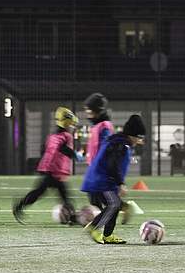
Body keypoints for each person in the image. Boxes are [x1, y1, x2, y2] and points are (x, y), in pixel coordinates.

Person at [81, 114, 145, 244]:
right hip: (102, 180)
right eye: (139, 137)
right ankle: (94, 227)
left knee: (115, 205)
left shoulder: (118, 141)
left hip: (100, 179)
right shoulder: (120, 144)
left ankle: (108, 235)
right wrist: (120, 183)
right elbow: (113, 164)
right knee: (114, 203)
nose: (139, 141)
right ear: (132, 134)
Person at [12, 106, 80, 224]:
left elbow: (45, 150)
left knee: (59, 195)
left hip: (50, 171)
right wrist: (73, 154)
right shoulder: (65, 136)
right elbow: (62, 148)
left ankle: (72, 217)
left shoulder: (52, 136)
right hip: (53, 172)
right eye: (71, 124)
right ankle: (19, 206)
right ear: (67, 123)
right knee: (48, 194)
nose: (72, 127)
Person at [83, 93, 113, 165]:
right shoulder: (96, 126)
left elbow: (105, 148)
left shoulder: (104, 126)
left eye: (89, 109)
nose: (87, 112)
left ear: (97, 110)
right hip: (94, 167)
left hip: (99, 168)